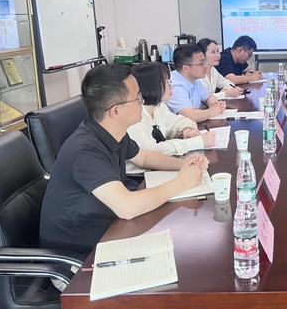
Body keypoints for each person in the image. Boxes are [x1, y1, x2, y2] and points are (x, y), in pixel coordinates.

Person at [40, 64, 209, 255]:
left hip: (111, 229)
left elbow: (145, 157)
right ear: (115, 111)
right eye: (137, 97)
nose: (142, 101)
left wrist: (185, 164)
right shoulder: (85, 151)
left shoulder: (113, 132)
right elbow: (127, 207)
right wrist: (182, 182)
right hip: (82, 254)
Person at [128, 62, 217, 156]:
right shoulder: (134, 117)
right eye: (167, 82)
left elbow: (178, 122)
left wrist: (187, 130)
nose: (171, 86)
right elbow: (151, 150)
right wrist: (195, 143)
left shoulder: (159, 108)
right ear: (152, 86)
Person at [166, 44, 227, 122]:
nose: (205, 66)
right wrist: (213, 111)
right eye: (201, 64)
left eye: (205, 62)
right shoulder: (173, 86)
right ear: (186, 68)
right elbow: (191, 117)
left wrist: (217, 105)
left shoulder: (194, 80)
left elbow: (208, 98)